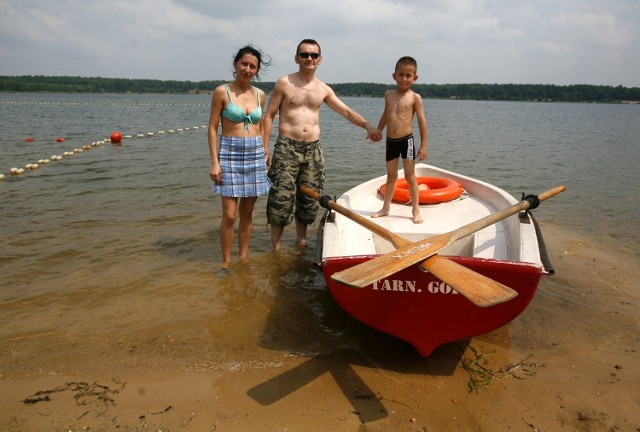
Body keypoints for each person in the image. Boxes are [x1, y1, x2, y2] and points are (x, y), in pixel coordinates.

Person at [263, 38, 381, 251]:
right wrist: (264, 146)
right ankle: (276, 248)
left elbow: (345, 111)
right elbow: (269, 115)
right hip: (287, 148)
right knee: (281, 198)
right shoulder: (284, 83)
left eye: (313, 55)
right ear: (296, 57)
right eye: (305, 54)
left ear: (320, 59)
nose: (309, 58)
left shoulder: (323, 89)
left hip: (313, 150)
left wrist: (367, 126)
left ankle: (301, 242)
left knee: (308, 199)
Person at [208, 45, 271, 271]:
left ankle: (243, 259)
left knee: (247, 212)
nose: (247, 69)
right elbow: (213, 128)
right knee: (230, 215)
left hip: (254, 153)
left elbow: (261, 124)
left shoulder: (260, 95)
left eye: (252, 66)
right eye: (244, 64)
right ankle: (226, 262)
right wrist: (215, 162)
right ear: (236, 64)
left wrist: (265, 148)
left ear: (257, 70)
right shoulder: (221, 92)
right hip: (229, 153)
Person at [372, 56, 428, 224]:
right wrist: (378, 130)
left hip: (407, 141)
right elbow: (385, 115)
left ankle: (415, 210)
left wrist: (424, 145)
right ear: (394, 75)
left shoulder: (415, 98)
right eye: (401, 74)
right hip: (391, 141)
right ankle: (385, 208)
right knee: (391, 176)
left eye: (408, 75)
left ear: (415, 77)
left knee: (410, 176)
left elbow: (421, 121)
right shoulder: (388, 95)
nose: (404, 79)